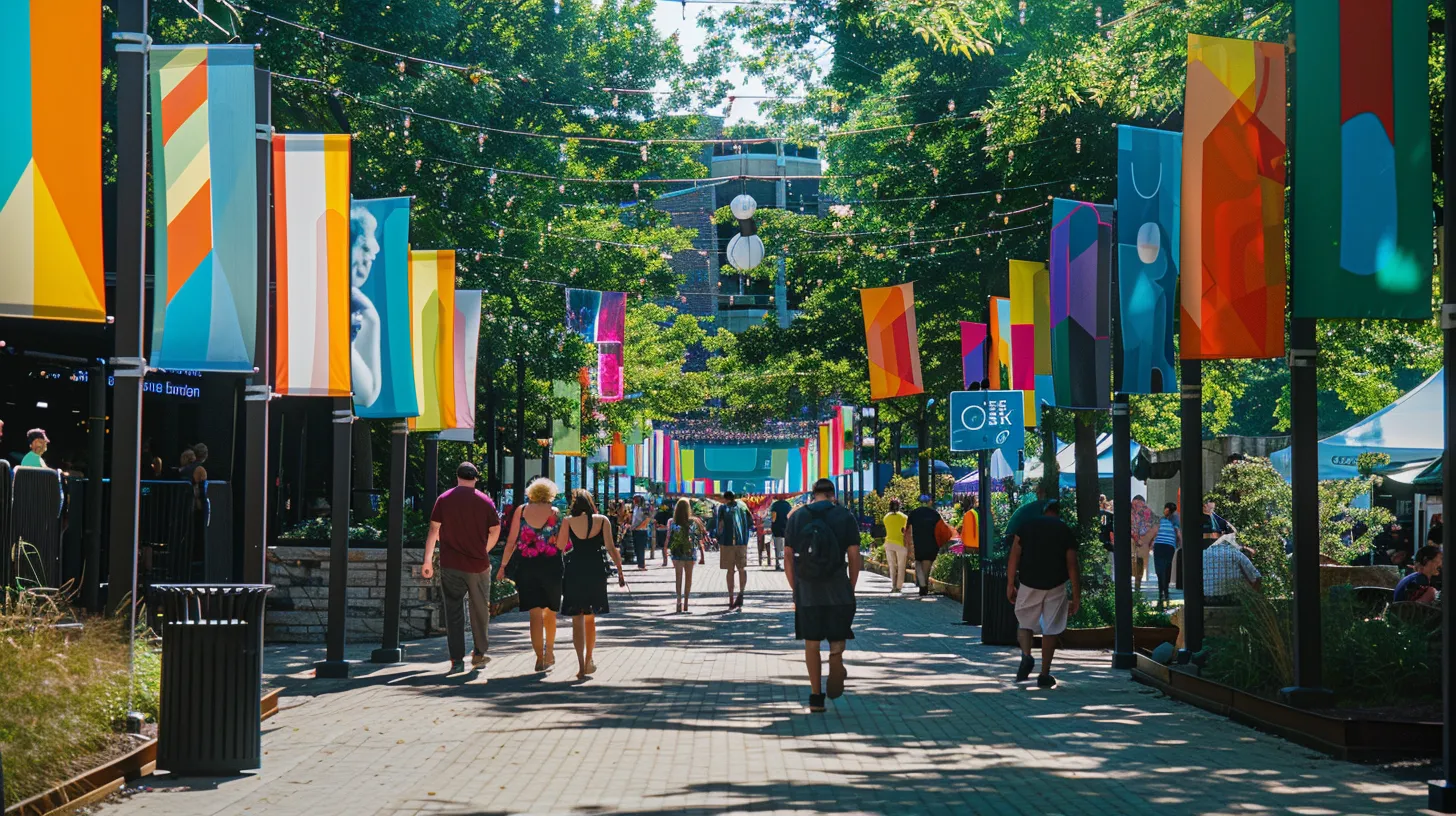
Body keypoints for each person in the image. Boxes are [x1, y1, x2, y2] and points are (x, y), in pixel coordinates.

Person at [784, 478, 861, 713]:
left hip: (807, 590)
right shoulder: (844, 516)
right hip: (838, 586)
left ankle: (816, 697)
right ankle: (836, 655)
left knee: (812, 644)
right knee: (838, 633)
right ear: (832, 495)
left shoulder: (797, 517)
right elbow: (855, 554)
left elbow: (788, 556)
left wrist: (794, 589)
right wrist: (851, 586)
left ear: (813, 494)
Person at [422, 462, 502, 674]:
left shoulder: (444, 499)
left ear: (457, 477)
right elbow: (496, 529)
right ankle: (479, 653)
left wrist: (427, 560)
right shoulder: (485, 501)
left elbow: (433, 529)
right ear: (476, 478)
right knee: (479, 610)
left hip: (451, 564)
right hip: (478, 565)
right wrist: (484, 549)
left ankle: (456, 659)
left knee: (453, 611)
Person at [1006, 500, 1081, 688]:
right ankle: (1044, 674)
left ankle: (1026, 655)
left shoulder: (1026, 527)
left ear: (1043, 511)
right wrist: (1076, 596)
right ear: (1058, 513)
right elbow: (1072, 565)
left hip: (1028, 582)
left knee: (1024, 622)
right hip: (1055, 584)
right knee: (1051, 627)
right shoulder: (1064, 530)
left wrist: (1010, 584)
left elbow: (1014, 555)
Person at [498, 478, 566, 673]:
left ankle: (539, 657)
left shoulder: (521, 511)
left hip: (527, 567)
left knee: (534, 614)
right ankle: (550, 652)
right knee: (551, 612)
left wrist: (503, 566)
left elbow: (511, 542)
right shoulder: (555, 513)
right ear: (550, 493)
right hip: (551, 566)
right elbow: (562, 544)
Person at [557, 489, 625, 679]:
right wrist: (620, 570)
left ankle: (580, 664)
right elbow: (611, 548)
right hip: (595, 569)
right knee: (590, 617)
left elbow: (560, 547)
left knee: (576, 619)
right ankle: (589, 659)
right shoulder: (602, 520)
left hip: (575, 569)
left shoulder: (568, 521)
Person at [666, 498, 709, 612]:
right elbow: (697, 539)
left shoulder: (672, 522)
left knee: (678, 578)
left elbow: (669, 538)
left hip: (676, 552)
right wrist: (702, 555)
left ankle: (678, 601)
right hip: (690, 552)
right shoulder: (694, 521)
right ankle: (686, 603)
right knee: (688, 578)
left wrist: (666, 551)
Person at [1203, 533, 1261, 605]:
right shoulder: (1235, 553)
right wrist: (1254, 598)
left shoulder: (1203, 554)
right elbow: (1257, 576)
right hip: (1231, 600)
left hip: (1205, 601)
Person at [716, 491, 751, 609]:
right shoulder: (743, 506)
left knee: (730, 570)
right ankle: (741, 593)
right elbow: (750, 523)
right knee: (742, 568)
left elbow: (720, 525)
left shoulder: (723, 508)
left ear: (725, 499)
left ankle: (731, 598)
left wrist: (718, 537)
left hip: (727, 542)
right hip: (741, 542)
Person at [903, 494, 941, 597]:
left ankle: (923, 586)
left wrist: (908, 545)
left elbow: (908, 530)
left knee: (918, 563)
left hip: (918, 542)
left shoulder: (914, 513)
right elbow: (940, 528)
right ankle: (924, 586)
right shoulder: (935, 514)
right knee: (927, 565)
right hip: (931, 542)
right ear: (930, 502)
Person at [1152, 502, 1181, 606]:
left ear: (1167, 510)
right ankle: (1166, 591)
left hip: (1159, 545)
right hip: (1169, 546)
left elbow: (1154, 532)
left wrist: (1150, 543)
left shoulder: (1161, 520)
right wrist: (1181, 543)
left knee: (1159, 570)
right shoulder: (1175, 521)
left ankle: (1161, 592)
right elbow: (1178, 533)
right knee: (1167, 568)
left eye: (1165, 509)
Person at [882, 498, 910, 594]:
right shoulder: (904, 517)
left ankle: (893, 585)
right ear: (899, 506)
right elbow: (906, 530)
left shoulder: (886, 517)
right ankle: (898, 587)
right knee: (901, 566)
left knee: (892, 566)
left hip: (889, 543)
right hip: (900, 544)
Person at [1129, 496, 1156, 593]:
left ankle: (1135, 588)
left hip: (1135, 545)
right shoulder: (1143, 514)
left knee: (1136, 566)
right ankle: (1136, 588)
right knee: (1137, 566)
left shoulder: (1135, 514)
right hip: (1137, 545)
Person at [769, 495, 793, 570]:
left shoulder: (775, 505)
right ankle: (785, 564)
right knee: (785, 548)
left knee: (778, 547)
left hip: (777, 529)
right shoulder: (788, 505)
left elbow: (773, 518)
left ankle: (778, 564)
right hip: (787, 528)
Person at [629, 495, 651, 570]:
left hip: (641, 531)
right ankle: (639, 564)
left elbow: (647, 519)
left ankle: (642, 565)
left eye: (635, 499)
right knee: (636, 548)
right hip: (635, 530)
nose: (634, 501)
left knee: (640, 548)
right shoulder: (635, 507)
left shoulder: (644, 507)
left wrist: (638, 527)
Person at [654, 501, 673, 567]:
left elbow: (655, 522)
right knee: (670, 547)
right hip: (668, 531)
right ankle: (673, 562)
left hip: (661, 531)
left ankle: (665, 562)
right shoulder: (671, 513)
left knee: (663, 547)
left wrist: (658, 526)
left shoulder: (659, 513)